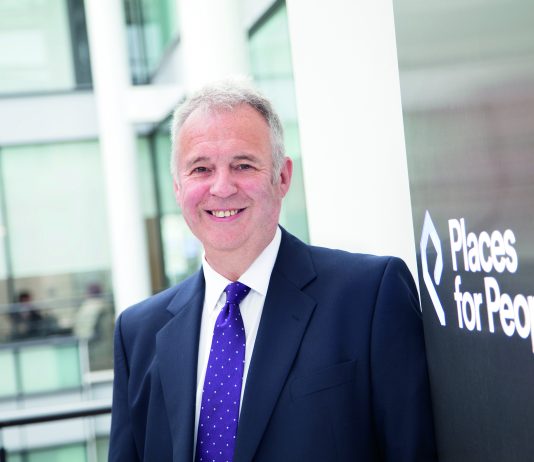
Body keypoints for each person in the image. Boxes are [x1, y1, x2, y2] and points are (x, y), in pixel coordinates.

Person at [109, 79, 437, 461]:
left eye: (243, 165)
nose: (222, 187)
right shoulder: (138, 334)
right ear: (178, 188)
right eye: (201, 169)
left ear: (282, 177)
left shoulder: (369, 297)